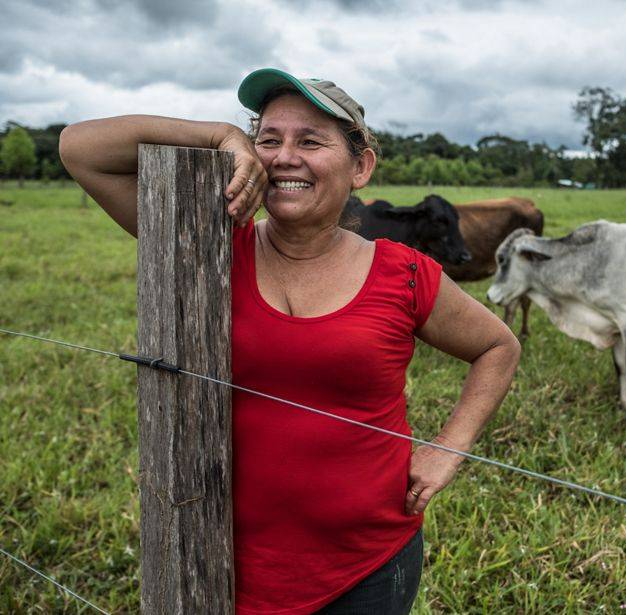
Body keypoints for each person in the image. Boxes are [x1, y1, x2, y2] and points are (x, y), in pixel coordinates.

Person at [59, 68, 521, 614]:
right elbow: (80, 148)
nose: (284, 158)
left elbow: (498, 348)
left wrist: (448, 448)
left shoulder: (404, 273)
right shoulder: (207, 247)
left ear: (361, 168)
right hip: (220, 560)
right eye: (268, 139)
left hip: (370, 563)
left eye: (310, 142)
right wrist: (221, 136)